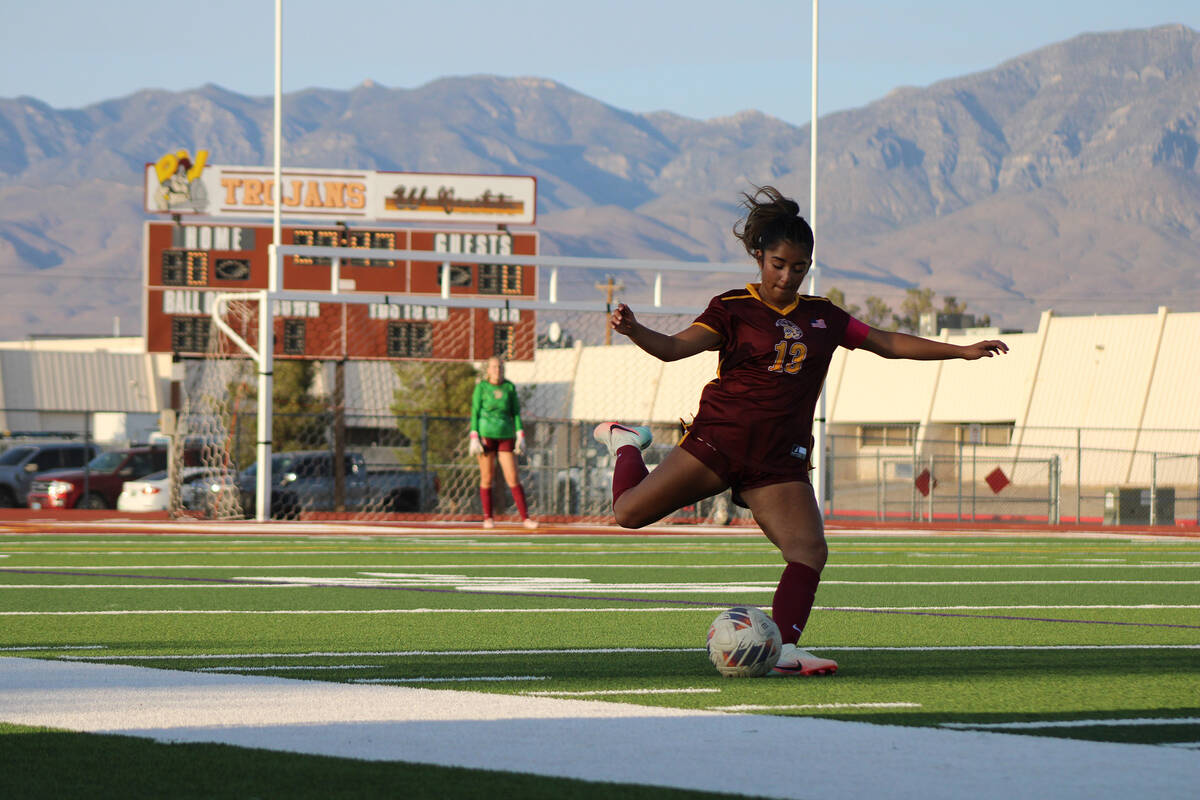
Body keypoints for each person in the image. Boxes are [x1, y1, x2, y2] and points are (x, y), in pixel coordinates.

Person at [593, 185, 1008, 676]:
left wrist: (957, 351)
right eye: (778, 264)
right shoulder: (732, 307)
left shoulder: (823, 316)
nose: (787, 275)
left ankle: (785, 648)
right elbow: (673, 349)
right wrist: (635, 329)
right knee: (627, 514)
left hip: (777, 461)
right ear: (759, 256)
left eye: (798, 267)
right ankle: (625, 442)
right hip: (718, 443)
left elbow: (888, 343)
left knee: (809, 550)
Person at [469, 356, 538, 530]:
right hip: (486, 434)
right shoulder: (482, 387)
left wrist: (520, 433)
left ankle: (525, 518)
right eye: (493, 367)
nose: (497, 370)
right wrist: (474, 435)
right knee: (487, 477)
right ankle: (488, 517)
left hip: (506, 434)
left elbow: (515, 412)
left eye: (500, 367)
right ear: (488, 369)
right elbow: (475, 412)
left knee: (513, 477)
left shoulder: (509, 387)